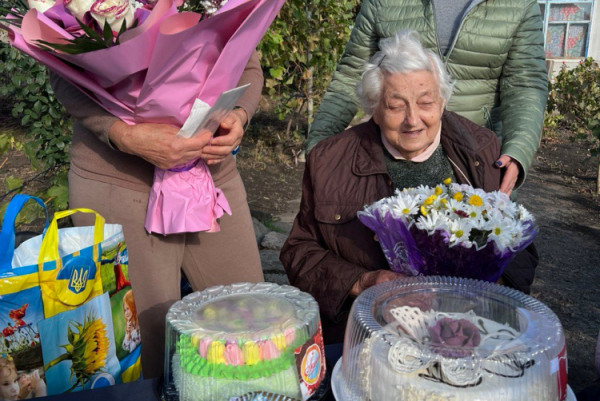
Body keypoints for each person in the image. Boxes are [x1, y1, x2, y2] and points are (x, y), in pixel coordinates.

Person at [280, 31, 538, 344]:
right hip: (369, 330)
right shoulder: (330, 159)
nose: (413, 120)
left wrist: (489, 282)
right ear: (374, 107)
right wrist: (365, 282)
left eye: (425, 103)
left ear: (442, 102)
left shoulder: (481, 150)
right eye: (395, 106)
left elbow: (518, 243)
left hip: (467, 329)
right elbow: (299, 251)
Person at [49, 50, 265, 378]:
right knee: (147, 353)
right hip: (119, 182)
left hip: (210, 175)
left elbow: (246, 59)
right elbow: (63, 68)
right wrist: (122, 134)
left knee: (253, 328)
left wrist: (238, 113)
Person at [305, 0, 548, 196]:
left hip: (475, 158)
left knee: (475, 246)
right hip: (394, 154)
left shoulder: (519, 5)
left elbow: (524, 85)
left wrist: (518, 151)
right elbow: (352, 75)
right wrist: (319, 145)